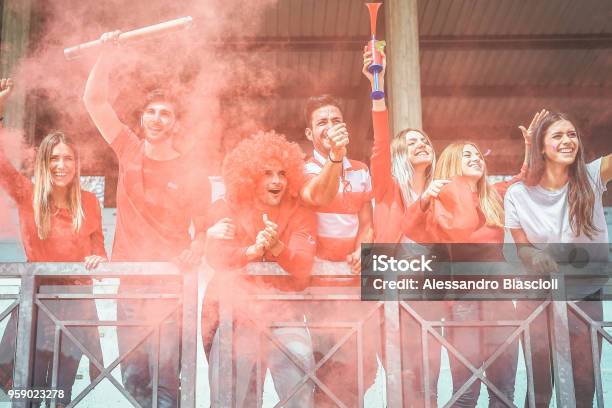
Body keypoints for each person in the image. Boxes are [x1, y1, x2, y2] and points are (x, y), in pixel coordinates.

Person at [82, 31, 210, 407]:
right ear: (142, 118)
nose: (157, 118)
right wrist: (106, 52)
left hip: (170, 285)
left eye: (165, 114)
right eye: (151, 112)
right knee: (134, 375)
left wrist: (197, 246)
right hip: (131, 283)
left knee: (167, 374)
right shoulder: (128, 149)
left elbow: (203, 226)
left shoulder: (191, 171)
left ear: (175, 124)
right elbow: (94, 100)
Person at [401, 109, 536, 405]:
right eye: (467, 155)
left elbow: (525, 177)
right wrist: (424, 198)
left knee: (503, 393)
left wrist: (531, 146)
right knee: (466, 393)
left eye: (478, 154)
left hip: (501, 301)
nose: (477, 158)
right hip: (463, 303)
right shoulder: (438, 199)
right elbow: (410, 227)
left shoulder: (494, 195)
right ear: (451, 163)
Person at [0, 78, 105, 408]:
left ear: (76, 165)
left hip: (76, 304)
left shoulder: (88, 201)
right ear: (44, 163)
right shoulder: (27, 195)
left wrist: (98, 258)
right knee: (29, 391)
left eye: (68, 159)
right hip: (37, 303)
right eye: (54, 159)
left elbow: (97, 245)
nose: (61, 166)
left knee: (61, 396)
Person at [505, 111, 611, 407]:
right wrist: (535, 255)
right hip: (538, 296)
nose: (568, 140)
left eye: (572, 134)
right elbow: (522, 247)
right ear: (541, 147)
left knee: (584, 383)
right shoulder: (517, 193)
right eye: (558, 135)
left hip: (585, 294)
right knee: (540, 387)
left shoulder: (590, 177)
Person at [202, 131, 316, 407]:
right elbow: (217, 256)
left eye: (282, 173)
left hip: (284, 315)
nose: (276, 180)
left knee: (300, 376)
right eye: (267, 173)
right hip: (231, 317)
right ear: (250, 176)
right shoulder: (225, 206)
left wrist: (276, 247)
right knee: (233, 399)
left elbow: (302, 268)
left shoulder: (301, 213)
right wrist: (251, 252)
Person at [362, 46, 443, 406]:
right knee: (403, 378)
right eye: (411, 142)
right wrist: (376, 86)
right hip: (390, 293)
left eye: (424, 140)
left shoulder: (443, 191)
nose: (422, 144)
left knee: (429, 380)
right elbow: (380, 142)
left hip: (431, 295)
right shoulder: (386, 187)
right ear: (399, 153)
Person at [299, 94, 379, 406]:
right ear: (309, 134)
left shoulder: (360, 169)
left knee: (364, 367)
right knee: (328, 367)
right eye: (322, 122)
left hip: (354, 283)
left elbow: (367, 222)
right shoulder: (302, 168)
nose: (330, 126)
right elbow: (319, 196)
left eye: (335, 120)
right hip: (320, 287)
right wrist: (334, 158)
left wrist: (364, 250)